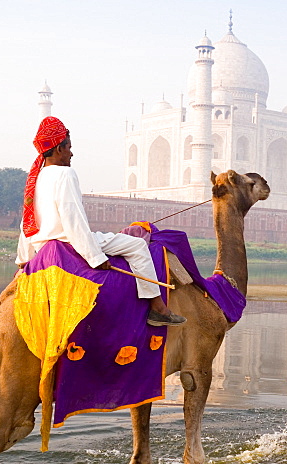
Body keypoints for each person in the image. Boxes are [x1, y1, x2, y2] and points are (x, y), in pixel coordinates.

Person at [16, 116, 185, 326]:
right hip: (67, 245)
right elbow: (73, 221)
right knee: (138, 245)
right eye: (69, 147)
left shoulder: (36, 178)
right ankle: (158, 308)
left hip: (41, 248)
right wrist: (95, 257)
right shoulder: (64, 174)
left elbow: (27, 222)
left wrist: (24, 259)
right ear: (59, 149)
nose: (71, 153)